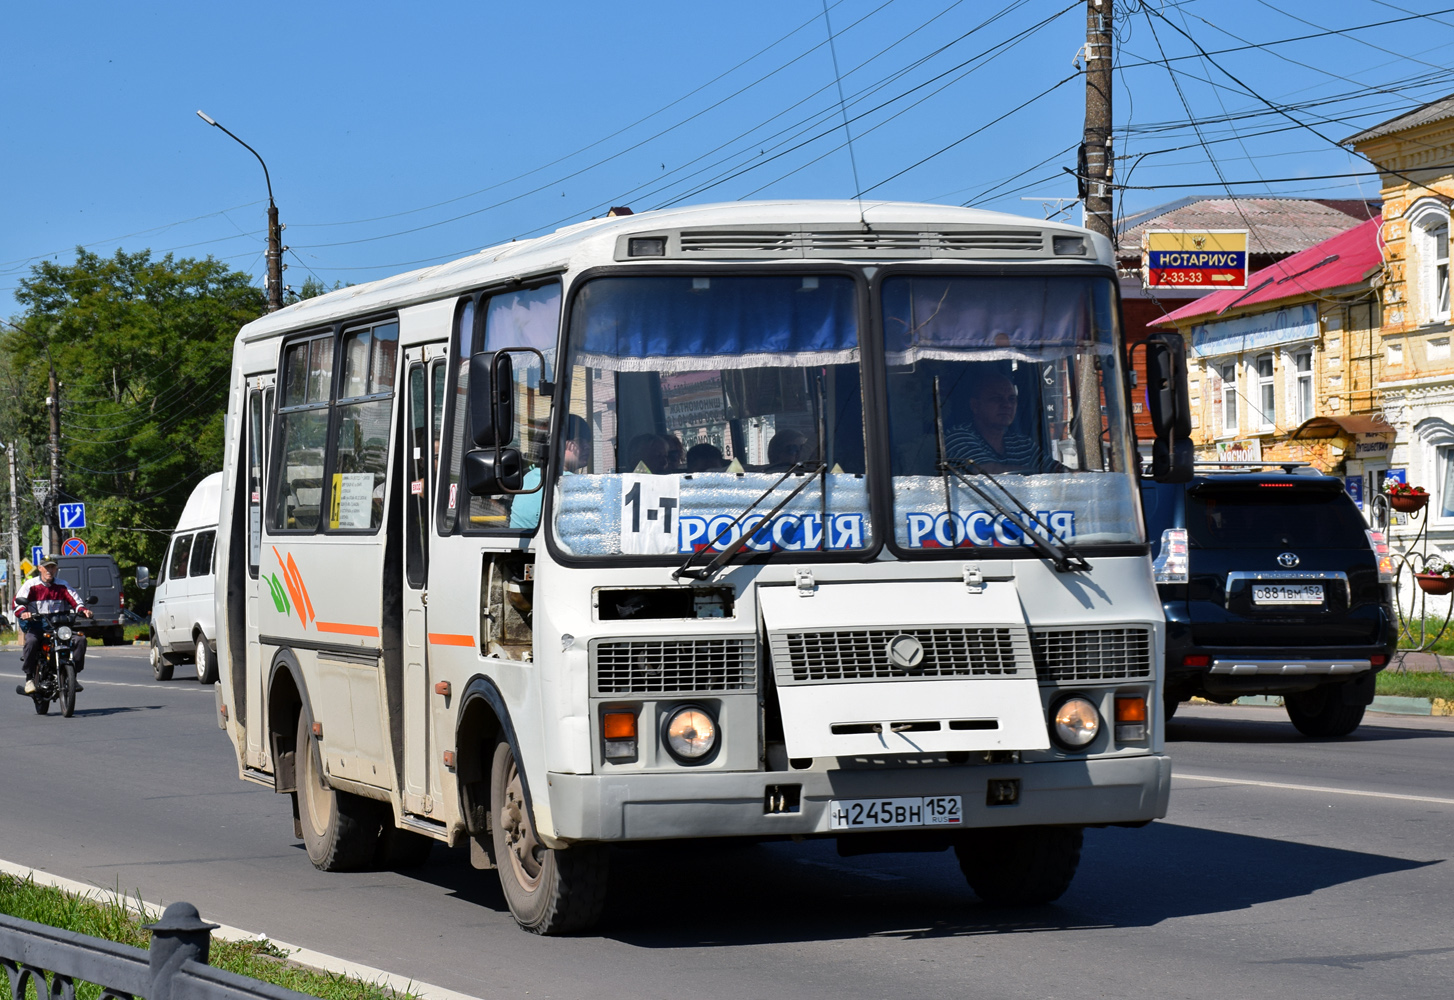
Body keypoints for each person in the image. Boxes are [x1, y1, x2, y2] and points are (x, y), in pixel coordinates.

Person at [943, 368, 1063, 474]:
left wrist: (1075, 474)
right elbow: (987, 473)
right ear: (975, 405)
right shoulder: (958, 437)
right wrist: (1038, 473)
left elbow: (1057, 470)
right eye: (996, 399)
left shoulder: (1022, 444)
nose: (1007, 405)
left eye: (1011, 399)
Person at [14, 559, 92, 695]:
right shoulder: (31, 585)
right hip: (38, 626)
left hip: (60, 628)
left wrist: (83, 610)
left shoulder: (62, 585)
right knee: (31, 641)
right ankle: (29, 678)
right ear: (40, 568)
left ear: (56, 569)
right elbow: (18, 603)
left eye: (52, 567)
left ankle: (72, 676)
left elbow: (76, 601)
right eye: (46, 567)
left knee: (80, 640)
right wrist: (23, 612)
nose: (49, 570)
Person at [509, 414, 592, 530]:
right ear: (558, 444)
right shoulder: (570, 482)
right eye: (579, 441)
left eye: (587, 441)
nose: (587, 446)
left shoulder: (529, 477)